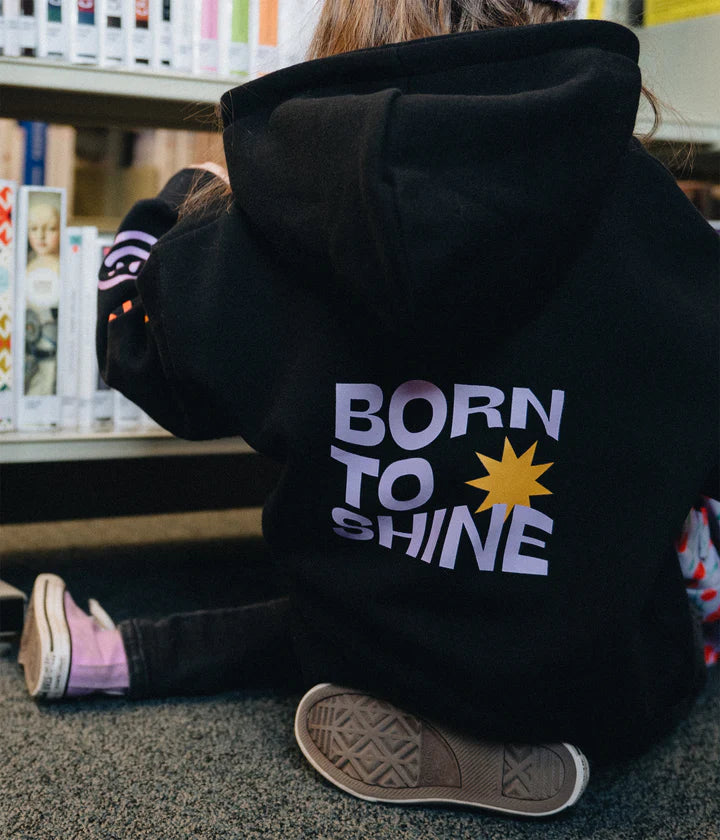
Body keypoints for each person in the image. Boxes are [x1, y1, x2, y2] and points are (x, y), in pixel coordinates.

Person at [18, 0, 719, 818]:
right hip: (598, 681)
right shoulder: (650, 220)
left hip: (360, 646)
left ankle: (402, 687)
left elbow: (131, 340)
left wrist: (183, 197)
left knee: (342, 592)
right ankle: (519, 706)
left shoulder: (273, 221)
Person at [24, 195, 62, 395]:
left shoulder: (62, 266)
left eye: (51, 229)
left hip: (53, 348)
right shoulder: (26, 267)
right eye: (34, 229)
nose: (41, 236)